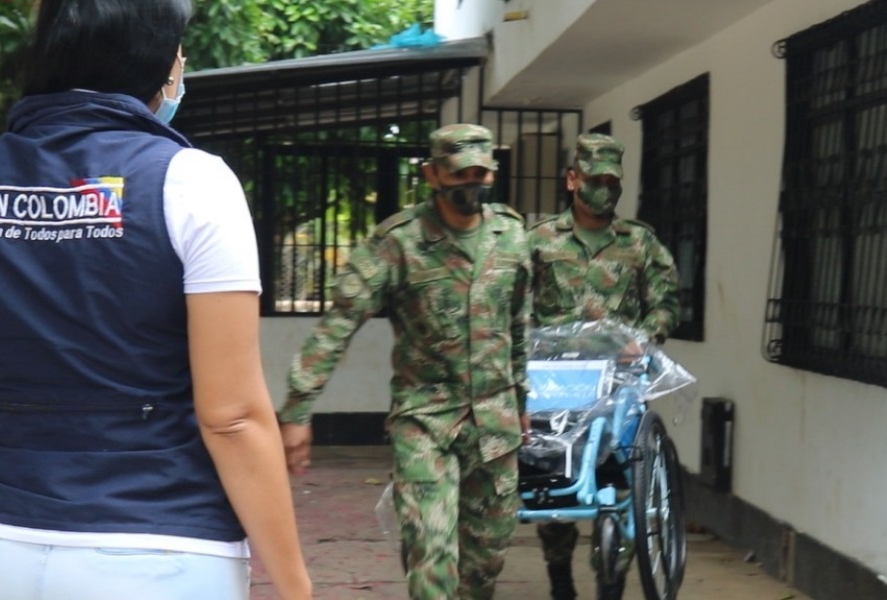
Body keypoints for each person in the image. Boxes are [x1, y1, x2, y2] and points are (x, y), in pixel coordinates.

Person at [0, 1, 311, 599]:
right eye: (179, 48)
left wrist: (30, 482)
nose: (182, 63)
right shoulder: (193, 182)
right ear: (152, 58)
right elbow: (232, 417)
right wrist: (295, 586)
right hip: (162, 552)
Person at [278, 123, 531, 600]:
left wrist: (521, 399)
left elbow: (517, 324)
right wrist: (297, 409)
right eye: (459, 174)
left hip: (495, 424)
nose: (471, 184)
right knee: (432, 554)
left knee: (484, 564)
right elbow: (339, 323)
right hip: (425, 421)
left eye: (479, 174)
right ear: (432, 175)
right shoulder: (398, 242)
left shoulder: (512, 235)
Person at [528, 133, 680, 600]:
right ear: (572, 180)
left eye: (612, 183)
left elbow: (666, 303)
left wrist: (644, 338)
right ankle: (560, 581)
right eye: (595, 181)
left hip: (619, 381)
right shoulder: (539, 240)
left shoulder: (640, 242)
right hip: (555, 382)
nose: (604, 191)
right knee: (553, 484)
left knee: (619, 487)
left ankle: (610, 581)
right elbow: (509, 302)